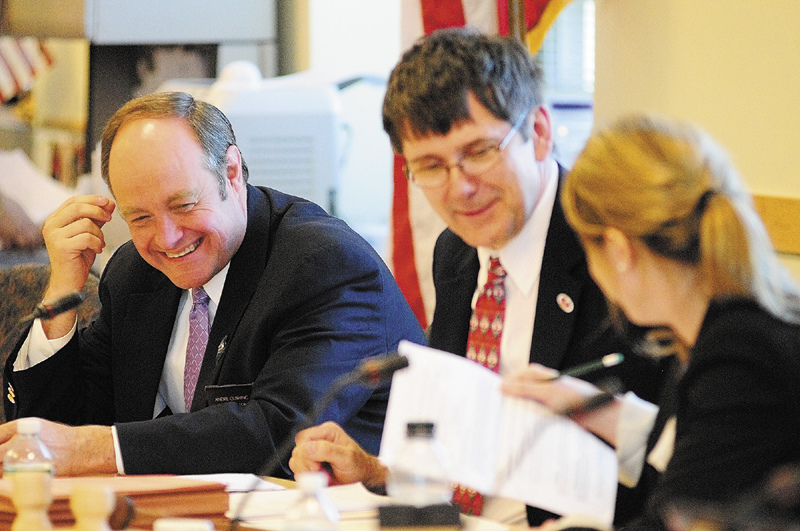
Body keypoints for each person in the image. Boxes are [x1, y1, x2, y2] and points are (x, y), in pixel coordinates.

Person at [290, 27, 666, 526]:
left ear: (539, 132)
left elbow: (685, 453)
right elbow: (464, 455)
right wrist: (373, 471)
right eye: (430, 166)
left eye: (480, 152)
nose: (460, 189)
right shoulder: (456, 253)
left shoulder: (616, 248)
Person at [0, 91, 426, 477]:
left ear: (233, 172)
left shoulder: (323, 263)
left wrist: (99, 448)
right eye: (140, 218)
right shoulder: (136, 271)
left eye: (183, 205)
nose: (166, 239)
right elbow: (56, 438)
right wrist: (62, 291)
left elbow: (279, 429)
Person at [500, 114, 800, 530]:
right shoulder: (723, 327)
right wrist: (592, 409)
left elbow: (682, 517)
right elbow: (701, 444)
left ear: (618, 250)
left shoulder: (741, 353)